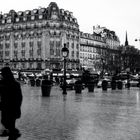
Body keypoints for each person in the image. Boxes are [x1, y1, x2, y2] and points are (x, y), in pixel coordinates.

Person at [0, 67, 23, 139]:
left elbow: (19, 98)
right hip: (7, 107)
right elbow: (20, 98)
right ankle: (13, 133)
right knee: (5, 122)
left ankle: (14, 133)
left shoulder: (14, 84)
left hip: (11, 108)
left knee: (9, 124)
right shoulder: (4, 83)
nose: (2, 75)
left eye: (3, 74)